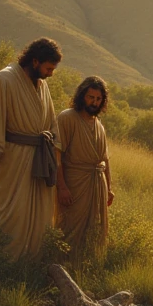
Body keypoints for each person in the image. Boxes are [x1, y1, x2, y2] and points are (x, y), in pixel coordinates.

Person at [0, 38, 62, 261]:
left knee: (40, 214)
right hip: (14, 158)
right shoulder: (4, 79)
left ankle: (33, 261)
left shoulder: (42, 85)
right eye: (48, 68)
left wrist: (55, 150)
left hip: (40, 158)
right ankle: (5, 263)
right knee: (13, 213)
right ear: (35, 61)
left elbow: (51, 121)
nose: (51, 74)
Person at [55, 76, 114, 260]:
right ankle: (61, 267)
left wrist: (109, 188)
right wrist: (62, 186)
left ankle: (86, 268)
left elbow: (104, 160)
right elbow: (57, 155)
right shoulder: (67, 118)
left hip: (97, 184)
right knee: (70, 228)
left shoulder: (99, 125)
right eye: (91, 97)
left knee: (95, 229)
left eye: (98, 99)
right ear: (82, 96)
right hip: (75, 184)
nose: (94, 102)